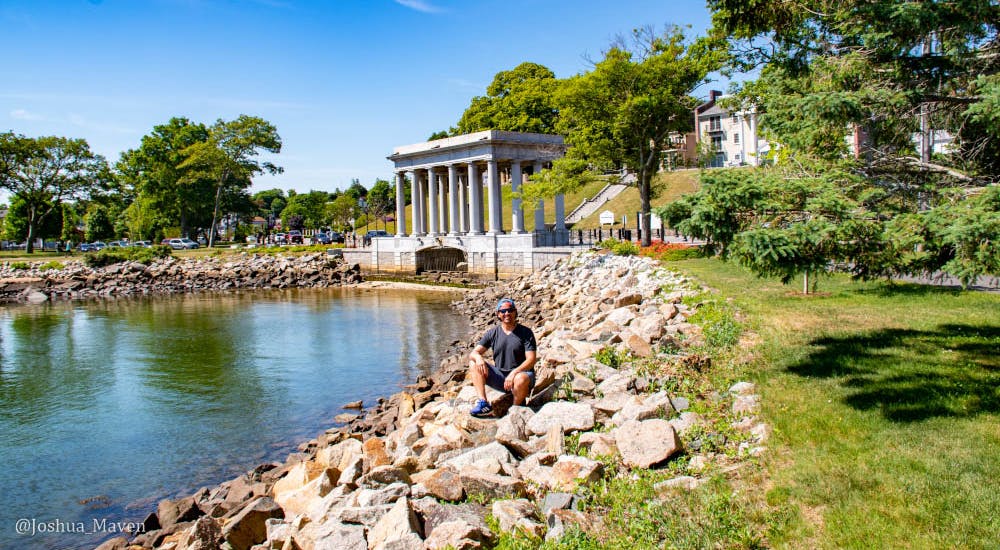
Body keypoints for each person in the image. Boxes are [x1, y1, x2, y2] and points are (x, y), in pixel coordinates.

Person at [468, 298, 537, 416]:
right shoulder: (493, 333)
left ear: (515, 312)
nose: (507, 313)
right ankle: (483, 403)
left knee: (520, 378)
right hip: (501, 378)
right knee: (473, 363)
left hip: (522, 377)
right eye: (503, 311)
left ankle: (514, 410)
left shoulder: (526, 333)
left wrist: (514, 373)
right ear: (498, 314)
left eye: (510, 310)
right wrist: (479, 358)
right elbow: (473, 353)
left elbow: (531, 359)